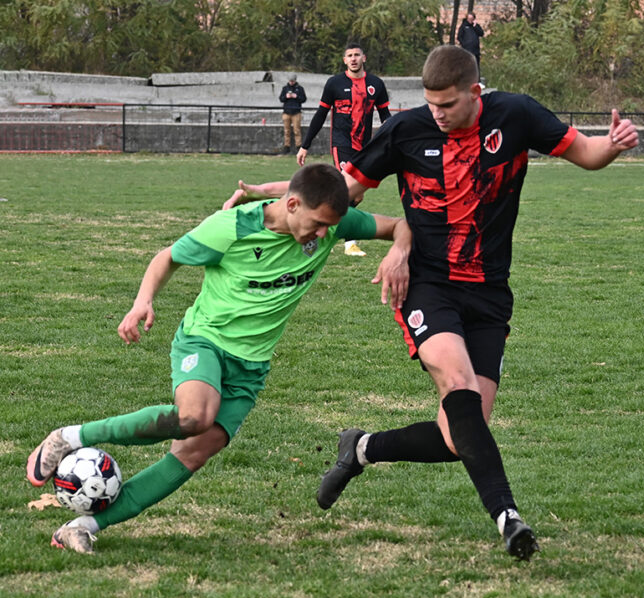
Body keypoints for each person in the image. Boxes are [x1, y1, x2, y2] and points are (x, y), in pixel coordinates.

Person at [234, 45, 640, 561]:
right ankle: (507, 517)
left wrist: (614, 144)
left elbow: (587, 153)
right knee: (456, 381)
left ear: (474, 93)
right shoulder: (407, 130)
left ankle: (361, 448)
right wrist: (269, 199)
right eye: (431, 104)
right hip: (427, 285)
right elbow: (340, 191)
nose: (438, 114)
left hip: (490, 292)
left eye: (448, 104)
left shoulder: (515, 115)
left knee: (459, 436)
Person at [26, 163, 411, 554]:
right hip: (205, 341)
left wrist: (398, 251)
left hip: (252, 367)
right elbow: (168, 257)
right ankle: (68, 437)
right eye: (318, 224)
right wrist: (142, 301)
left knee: (194, 452)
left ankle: (82, 526)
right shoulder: (231, 228)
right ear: (292, 204)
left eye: (331, 226)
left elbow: (400, 225)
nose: (324, 234)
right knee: (195, 416)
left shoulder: (333, 224)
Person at [297, 42, 391, 257]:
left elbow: (386, 117)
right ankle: (348, 243)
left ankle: (313, 224)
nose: (353, 58)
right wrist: (305, 146)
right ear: (344, 60)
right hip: (342, 145)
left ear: (364, 58)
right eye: (349, 55)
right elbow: (320, 115)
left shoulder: (376, 84)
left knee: (355, 196)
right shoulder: (334, 84)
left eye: (357, 54)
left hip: (364, 147)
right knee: (346, 191)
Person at [279, 74, 307, 154]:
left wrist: (296, 96)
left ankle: (298, 146)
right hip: (286, 112)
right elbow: (281, 99)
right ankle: (286, 146)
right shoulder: (285, 88)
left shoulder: (300, 89)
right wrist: (286, 96)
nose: (291, 82)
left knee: (297, 130)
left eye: (292, 81)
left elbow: (304, 99)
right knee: (286, 130)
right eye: (290, 81)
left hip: (296, 112)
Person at [457, 12, 484, 78]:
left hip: (475, 50)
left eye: (471, 19)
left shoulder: (476, 26)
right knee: (467, 65)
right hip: (467, 50)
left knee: (476, 65)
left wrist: (475, 26)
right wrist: (464, 44)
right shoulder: (463, 26)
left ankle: (477, 80)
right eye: (469, 19)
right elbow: (459, 37)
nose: (470, 20)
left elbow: (481, 33)